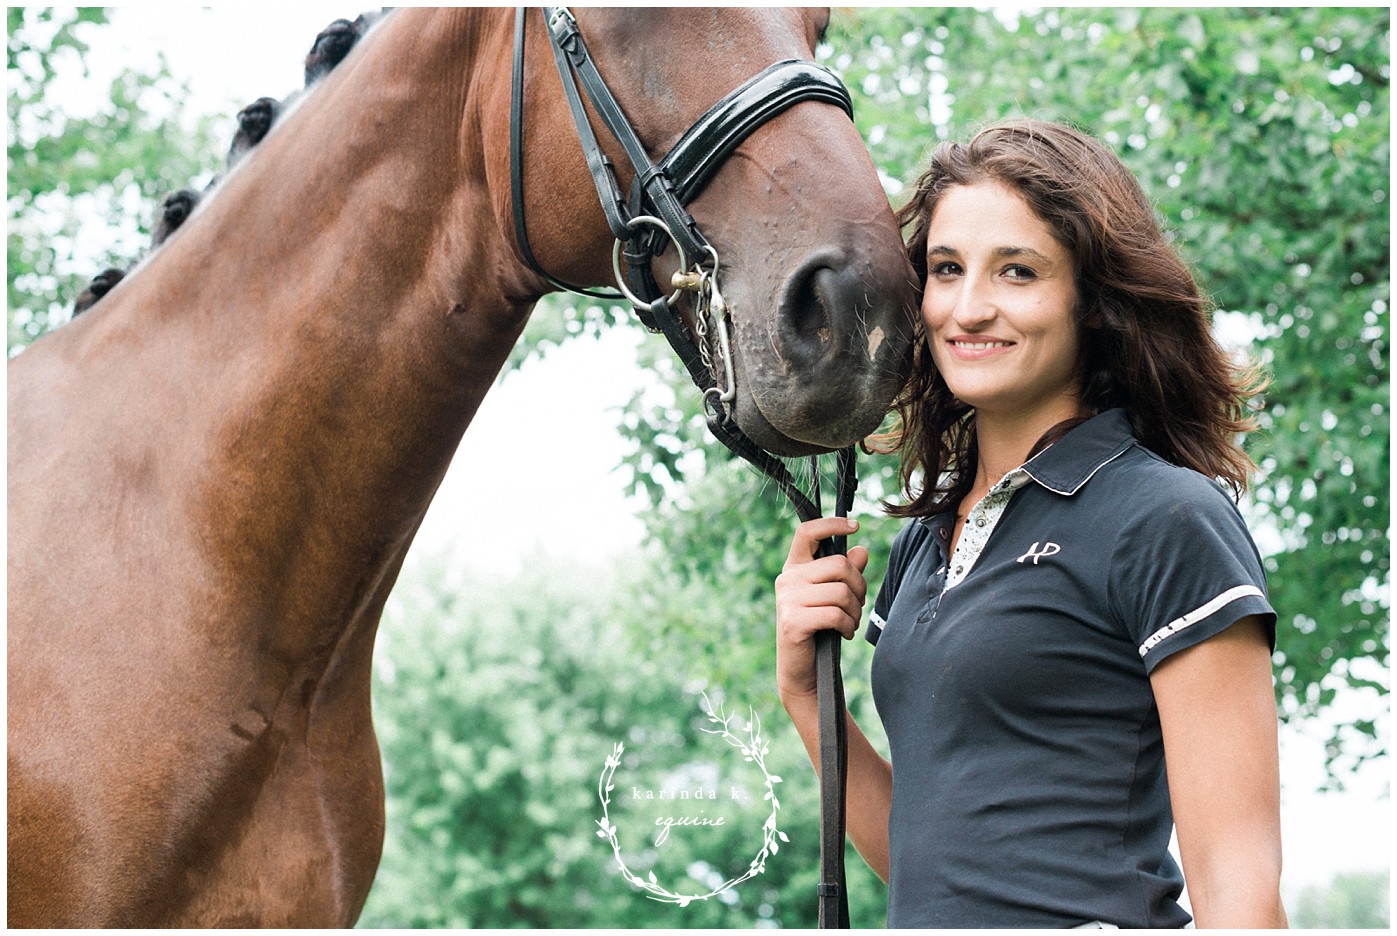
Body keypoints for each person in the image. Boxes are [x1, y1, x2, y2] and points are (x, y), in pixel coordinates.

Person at [775, 119, 1287, 928]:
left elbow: (1240, 894)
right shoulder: (922, 543)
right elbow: (929, 862)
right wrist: (809, 700)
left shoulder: (1164, 519)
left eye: (1016, 272)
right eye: (945, 271)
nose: (968, 309)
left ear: (1093, 302)